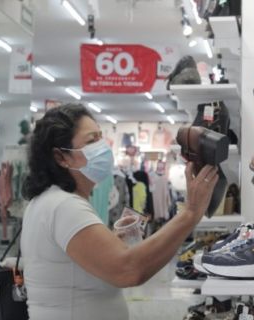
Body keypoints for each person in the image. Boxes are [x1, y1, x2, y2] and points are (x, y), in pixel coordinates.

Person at [20, 104, 218, 320]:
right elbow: (129, 270)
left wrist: (110, 241)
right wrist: (190, 213)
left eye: (100, 137)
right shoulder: (64, 206)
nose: (102, 147)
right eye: (91, 141)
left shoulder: (48, 201)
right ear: (61, 157)